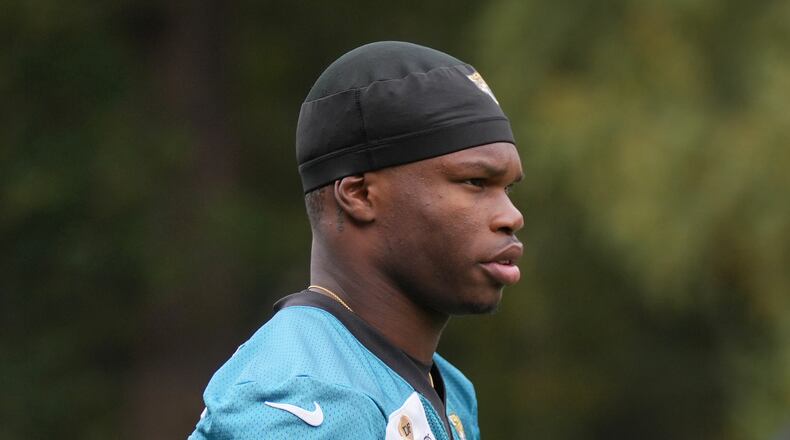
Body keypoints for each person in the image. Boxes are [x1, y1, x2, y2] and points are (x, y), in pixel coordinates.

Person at [190, 41, 524, 440]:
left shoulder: (450, 390)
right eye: (475, 182)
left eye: (507, 189)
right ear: (360, 195)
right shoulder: (305, 403)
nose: (511, 215)